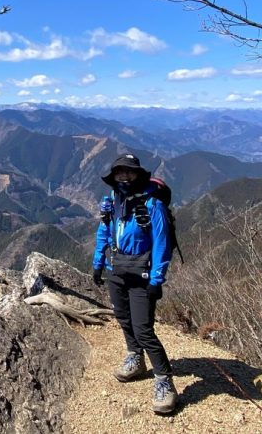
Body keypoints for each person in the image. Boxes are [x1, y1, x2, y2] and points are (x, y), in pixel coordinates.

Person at [92, 153, 178, 414]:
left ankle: (165, 382)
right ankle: (135, 358)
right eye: (119, 172)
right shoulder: (114, 202)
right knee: (123, 318)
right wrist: (98, 262)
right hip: (116, 269)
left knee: (144, 329)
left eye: (128, 172)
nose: (124, 176)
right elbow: (104, 232)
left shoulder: (153, 205)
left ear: (139, 174)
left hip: (142, 274)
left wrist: (157, 279)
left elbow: (163, 243)